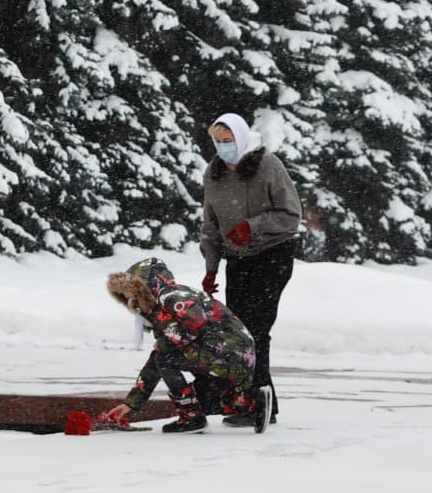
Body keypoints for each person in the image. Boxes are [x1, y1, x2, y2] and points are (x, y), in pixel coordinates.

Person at [199, 113, 301, 426]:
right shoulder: (213, 173)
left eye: (228, 141)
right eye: (218, 142)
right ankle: (243, 400)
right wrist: (212, 267)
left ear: (242, 138)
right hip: (237, 260)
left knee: (257, 328)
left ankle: (259, 401)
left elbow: (290, 215)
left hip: (272, 255)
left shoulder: (268, 166)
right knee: (236, 332)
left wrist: (253, 227)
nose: (223, 147)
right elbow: (210, 225)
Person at [97, 258, 270, 434]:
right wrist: (130, 404)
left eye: (132, 296)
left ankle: (191, 417)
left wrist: (164, 344)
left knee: (166, 360)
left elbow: (195, 325)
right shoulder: (163, 306)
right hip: (232, 355)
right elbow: (159, 357)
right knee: (188, 382)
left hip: (228, 350)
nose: (132, 302)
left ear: (143, 288)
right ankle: (255, 404)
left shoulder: (170, 295)